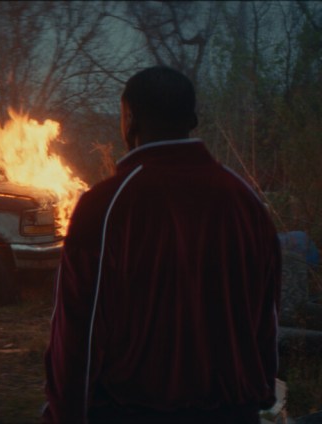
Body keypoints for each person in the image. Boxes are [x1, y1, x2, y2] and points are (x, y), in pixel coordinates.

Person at [43, 66, 281, 423]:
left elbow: (81, 330)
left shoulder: (105, 205)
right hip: (234, 411)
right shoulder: (245, 201)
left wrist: (65, 413)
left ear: (130, 118)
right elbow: (267, 312)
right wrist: (261, 392)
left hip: (133, 411)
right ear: (193, 119)